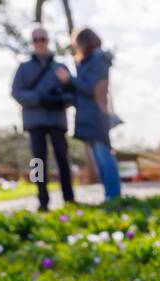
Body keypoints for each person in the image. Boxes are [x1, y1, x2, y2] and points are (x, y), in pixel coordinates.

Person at [11, 26, 76, 212]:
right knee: (38, 163)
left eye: (43, 39)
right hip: (35, 122)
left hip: (57, 120)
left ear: (48, 40)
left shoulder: (60, 67)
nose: (40, 43)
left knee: (63, 159)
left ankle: (69, 198)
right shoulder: (24, 68)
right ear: (32, 43)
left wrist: (59, 100)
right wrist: (39, 99)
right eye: (36, 40)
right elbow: (16, 93)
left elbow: (72, 93)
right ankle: (43, 201)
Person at [59, 27, 121, 201]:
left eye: (77, 44)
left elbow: (91, 88)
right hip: (88, 115)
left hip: (96, 115)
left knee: (104, 155)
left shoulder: (98, 59)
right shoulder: (87, 61)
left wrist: (70, 79)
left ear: (83, 43)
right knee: (100, 157)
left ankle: (114, 195)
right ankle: (110, 195)